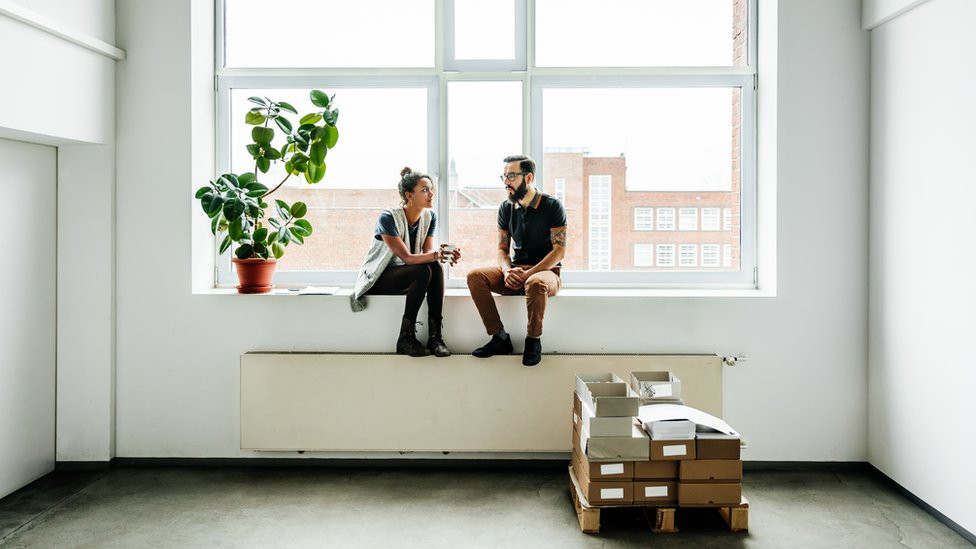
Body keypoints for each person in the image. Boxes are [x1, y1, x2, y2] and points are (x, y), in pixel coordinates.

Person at [466, 155, 567, 367]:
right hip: (516, 272)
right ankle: (499, 337)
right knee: (475, 277)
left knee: (535, 283)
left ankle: (533, 340)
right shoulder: (506, 208)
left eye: (511, 176)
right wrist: (506, 271)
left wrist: (527, 274)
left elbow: (559, 252)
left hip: (546, 273)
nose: (505, 182)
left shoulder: (552, 206)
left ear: (528, 177)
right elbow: (502, 248)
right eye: (504, 176)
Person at [351, 167, 461, 357]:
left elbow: (426, 255)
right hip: (379, 277)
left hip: (407, 275)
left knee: (433, 267)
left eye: (431, 189)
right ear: (409, 195)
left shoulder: (429, 217)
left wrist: (443, 254)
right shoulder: (388, 217)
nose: (431, 194)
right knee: (423, 271)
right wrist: (435, 255)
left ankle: (435, 338)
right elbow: (408, 258)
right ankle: (405, 338)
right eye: (425, 190)